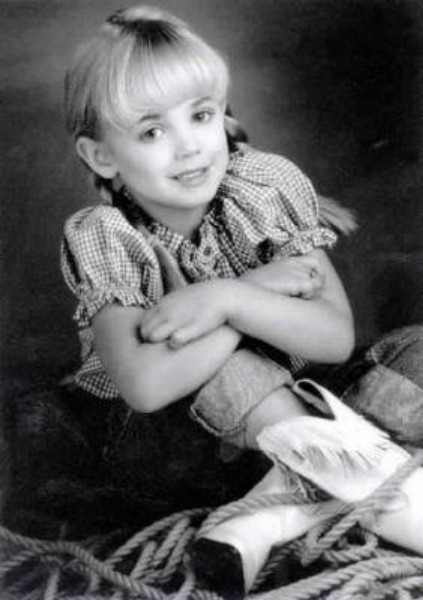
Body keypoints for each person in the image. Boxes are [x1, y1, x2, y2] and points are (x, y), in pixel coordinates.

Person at [61, 5, 423, 598]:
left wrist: (225, 297)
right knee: (229, 368)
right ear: (102, 156)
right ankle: (400, 502)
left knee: (415, 352)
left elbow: (334, 337)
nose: (189, 146)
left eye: (201, 115)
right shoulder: (105, 234)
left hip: (302, 410)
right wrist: (242, 297)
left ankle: (266, 518)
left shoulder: (261, 186)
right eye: (152, 132)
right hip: (183, 446)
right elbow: (146, 386)